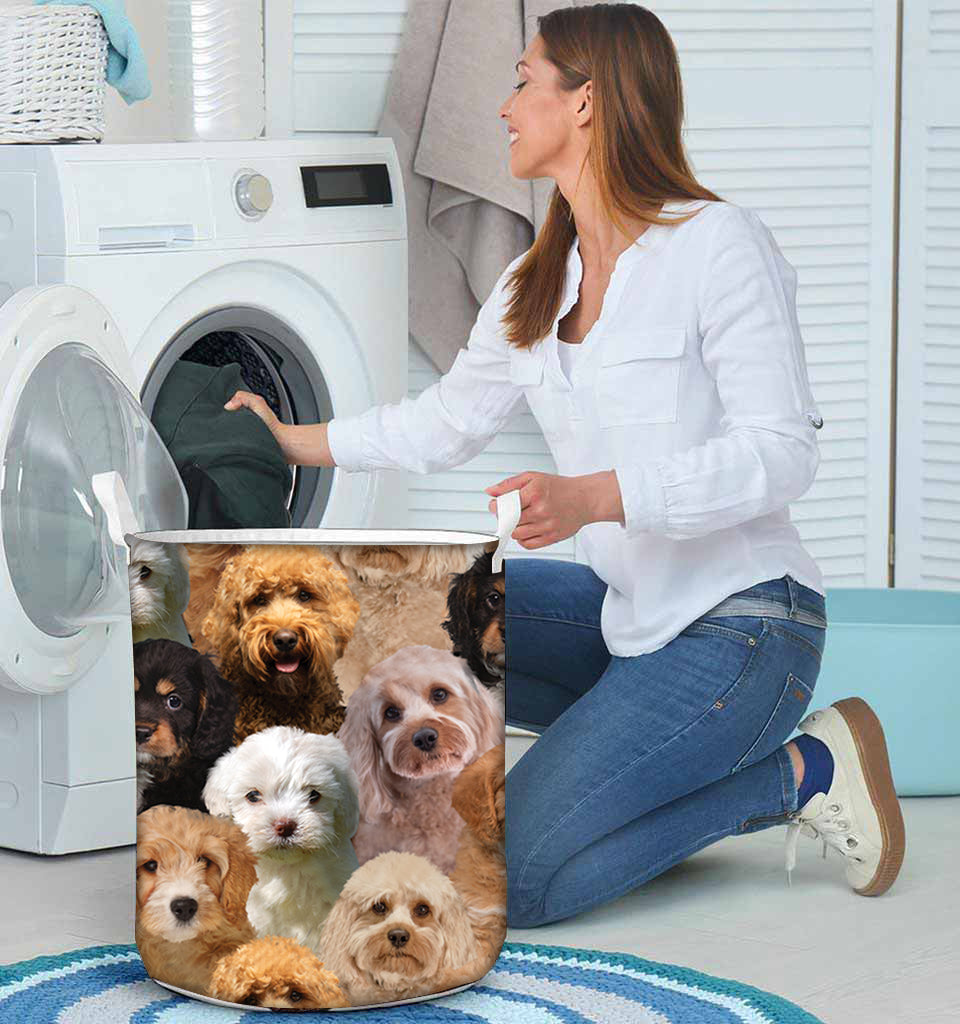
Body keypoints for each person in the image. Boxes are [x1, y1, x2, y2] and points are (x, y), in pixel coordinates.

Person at [224, 3, 905, 929]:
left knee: (518, 880)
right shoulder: (535, 280)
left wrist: (598, 498)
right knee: (422, 616)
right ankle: (595, 765)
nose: (503, 106)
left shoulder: (716, 244)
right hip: (632, 623)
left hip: (747, 630)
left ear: (585, 103)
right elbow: (445, 423)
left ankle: (801, 774)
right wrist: (295, 437)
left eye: (522, 81)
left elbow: (783, 454)